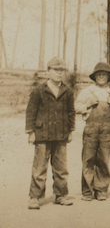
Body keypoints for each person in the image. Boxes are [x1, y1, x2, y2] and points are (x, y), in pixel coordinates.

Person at [26, 57, 76, 209]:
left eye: (62, 71)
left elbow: (71, 112)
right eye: (55, 70)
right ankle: (35, 197)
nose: (59, 74)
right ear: (48, 72)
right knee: (39, 167)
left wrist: (71, 131)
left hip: (61, 134)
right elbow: (31, 112)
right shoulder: (39, 91)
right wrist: (31, 132)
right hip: (42, 134)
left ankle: (60, 195)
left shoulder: (67, 91)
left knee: (61, 167)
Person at [74, 62, 110, 202]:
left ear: (108, 77)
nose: (101, 77)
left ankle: (101, 190)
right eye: (98, 75)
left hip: (106, 130)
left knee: (103, 159)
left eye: (104, 75)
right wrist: (88, 104)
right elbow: (76, 107)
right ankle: (87, 191)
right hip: (91, 128)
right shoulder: (87, 91)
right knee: (88, 159)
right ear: (94, 77)